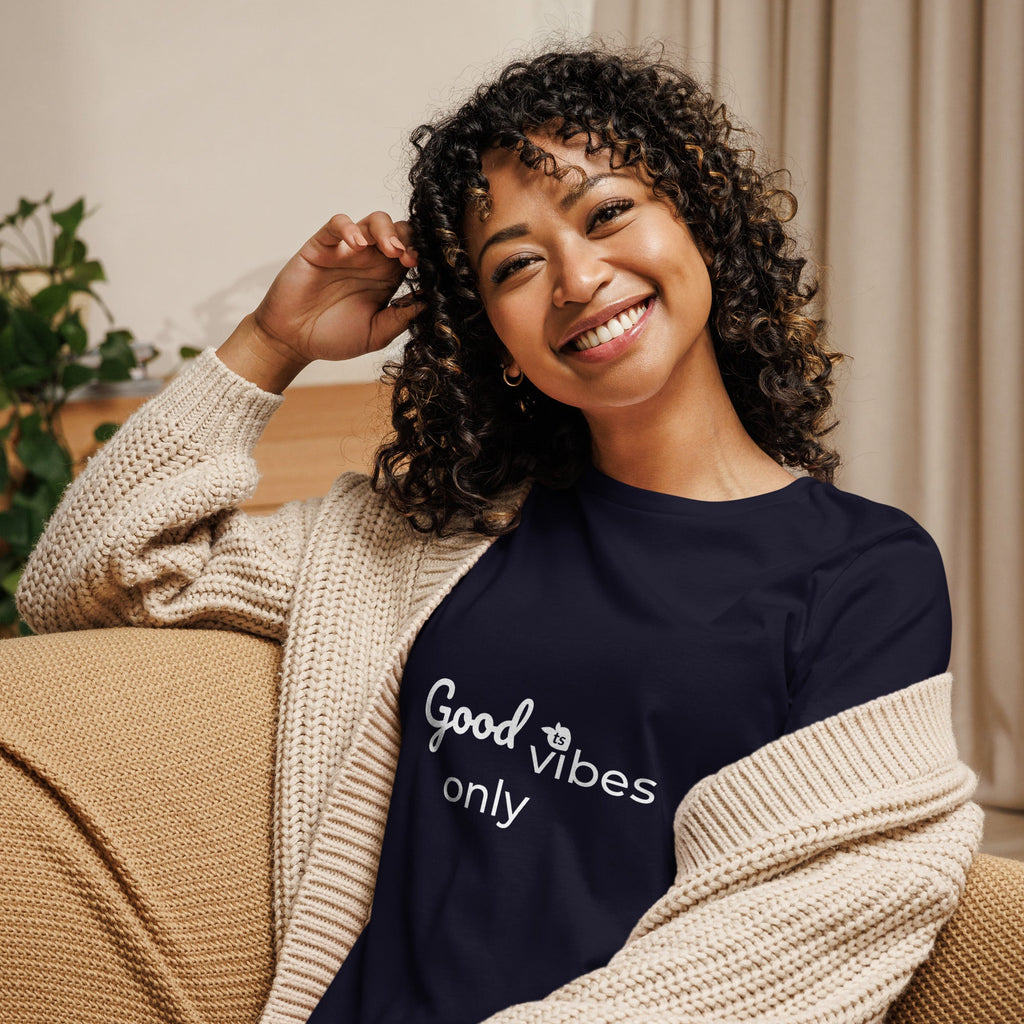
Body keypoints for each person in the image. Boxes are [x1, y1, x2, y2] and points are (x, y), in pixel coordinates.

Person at [16, 47, 980, 1024]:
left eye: (606, 214)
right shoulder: (428, 541)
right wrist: (270, 343)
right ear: (496, 337)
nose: (575, 276)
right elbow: (93, 580)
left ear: (700, 218)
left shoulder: (863, 571)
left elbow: (798, 929)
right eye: (516, 262)